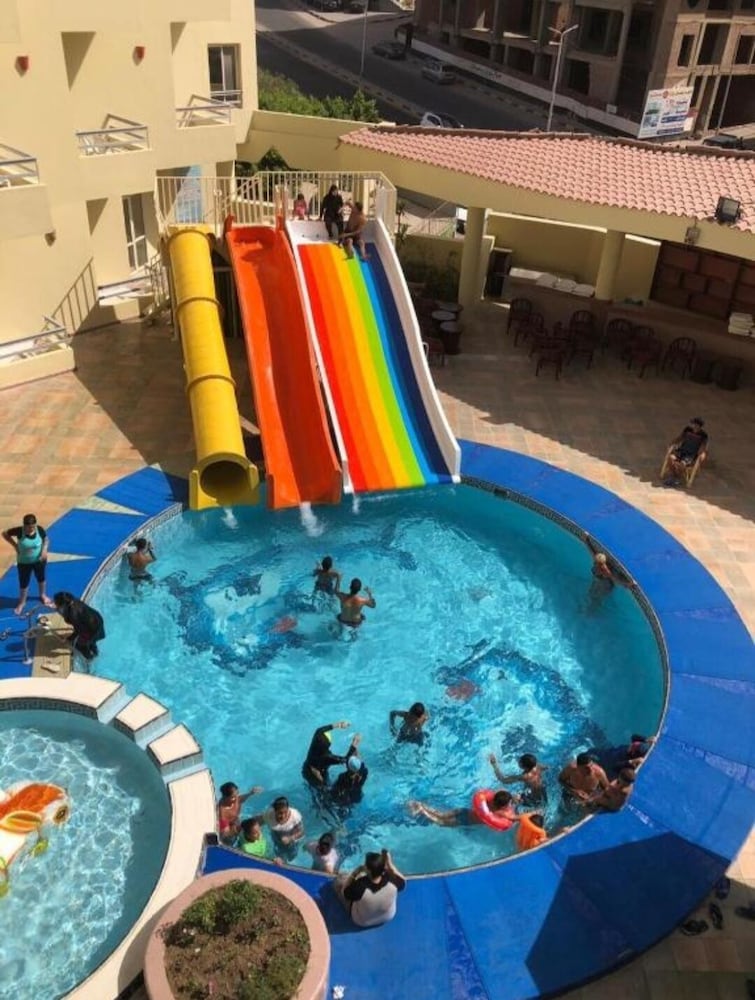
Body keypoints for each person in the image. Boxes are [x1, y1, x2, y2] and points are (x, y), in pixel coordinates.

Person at [335, 849, 406, 928]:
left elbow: (344, 893)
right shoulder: (393, 881)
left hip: (362, 921)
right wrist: (390, 864)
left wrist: (355, 873)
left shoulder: (360, 886)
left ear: (368, 870)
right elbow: (403, 882)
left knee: (339, 880)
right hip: (387, 916)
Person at [2, 513, 55, 614]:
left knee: (41, 578)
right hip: (24, 563)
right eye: (29, 527)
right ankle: (22, 602)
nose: (31, 529)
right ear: (24, 526)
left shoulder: (39, 529)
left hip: (39, 561)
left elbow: (46, 539)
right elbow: (5, 534)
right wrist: (15, 545)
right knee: (24, 582)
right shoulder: (19, 531)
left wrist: (44, 550)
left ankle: (43, 595)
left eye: (33, 526)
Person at [407, 790, 517, 828]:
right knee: (440, 822)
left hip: (464, 811)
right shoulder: (498, 813)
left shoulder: (490, 800)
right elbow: (513, 818)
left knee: (441, 814)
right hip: (465, 820)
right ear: (503, 805)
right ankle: (422, 811)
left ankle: (421, 805)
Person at [302, 721, 361, 788]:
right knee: (326, 789)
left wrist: (339, 724)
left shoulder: (316, 738)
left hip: (306, 768)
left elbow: (320, 730)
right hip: (316, 777)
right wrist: (354, 744)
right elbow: (345, 760)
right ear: (328, 745)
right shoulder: (327, 757)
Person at [52, 591, 105, 660]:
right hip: (97, 620)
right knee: (92, 641)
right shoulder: (74, 601)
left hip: (92, 629)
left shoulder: (73, 615)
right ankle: (95, 652)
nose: (56, 606)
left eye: (57, 604)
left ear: (63, 605)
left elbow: (79, 631)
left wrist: (69, 639)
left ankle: (89, 659)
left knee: (79, 645)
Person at [664, 417, 708, 486]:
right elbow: (680, 438)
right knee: (671, 458)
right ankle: (674, 475)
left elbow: (703, 446)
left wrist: (702, 454)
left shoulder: (703, 435)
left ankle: (677, 478)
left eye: (694, 424)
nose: (693, 426)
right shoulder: (688, 430)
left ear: (699, 426)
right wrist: (671, 444)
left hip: (691, 455)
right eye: (693, 424)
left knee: (682, 463)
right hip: (681, 451)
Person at [217, 781, 263, 845]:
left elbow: (240, 799)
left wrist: (251, 793)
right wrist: (240, 828)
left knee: (258, 820)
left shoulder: (233, 799)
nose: (236, 798)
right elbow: (225, 834)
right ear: (225, 797)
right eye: (233, 797)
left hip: (235, 822)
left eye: (237, 794)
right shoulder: (223, 813)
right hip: (230, 832)